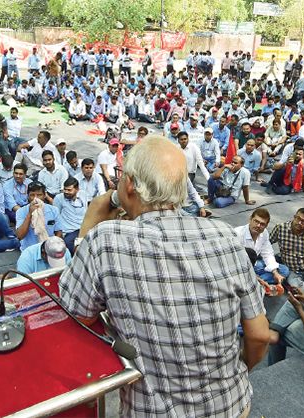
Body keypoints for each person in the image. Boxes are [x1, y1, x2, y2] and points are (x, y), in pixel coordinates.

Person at [59, 137, 270, 416]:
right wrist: (237, 372)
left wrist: (88, 228)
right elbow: (259, 335)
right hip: (233, 405)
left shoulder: (104, 240)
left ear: (130, 184)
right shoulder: (225, 235)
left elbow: (77, 313)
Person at [234, 208, 289, 288]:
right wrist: (257, 277)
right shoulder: (237, 233)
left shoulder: (264, 233)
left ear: (266, 226)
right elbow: (234, 262)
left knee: (284, 270)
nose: (258, 226)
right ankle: (253, 283)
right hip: (240, 268)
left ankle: (252, 283)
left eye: (262, 224)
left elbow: (268, 253)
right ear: (250, 219)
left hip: (254, 265)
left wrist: (275, 273)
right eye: (256, 221)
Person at [16, 182, 61, 251]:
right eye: (32, 195)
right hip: (29, 250)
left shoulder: (54, 210)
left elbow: (58, 232)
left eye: (39, 195)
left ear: (44, 195)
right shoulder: (21, 211)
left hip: (49, 248)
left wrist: (54, 247)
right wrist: (30, 214)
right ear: (28, 196)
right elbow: (20, 236)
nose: (36, 199)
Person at [53, 177, 87, 254]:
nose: (66, 192)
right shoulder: (59, 198)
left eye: (69, 190)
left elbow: (86, 211)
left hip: (82, 228)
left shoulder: (83, 195)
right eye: (65, 189)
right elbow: (55, 217)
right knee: (68, 245)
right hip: (68, 231)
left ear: (77, 189)